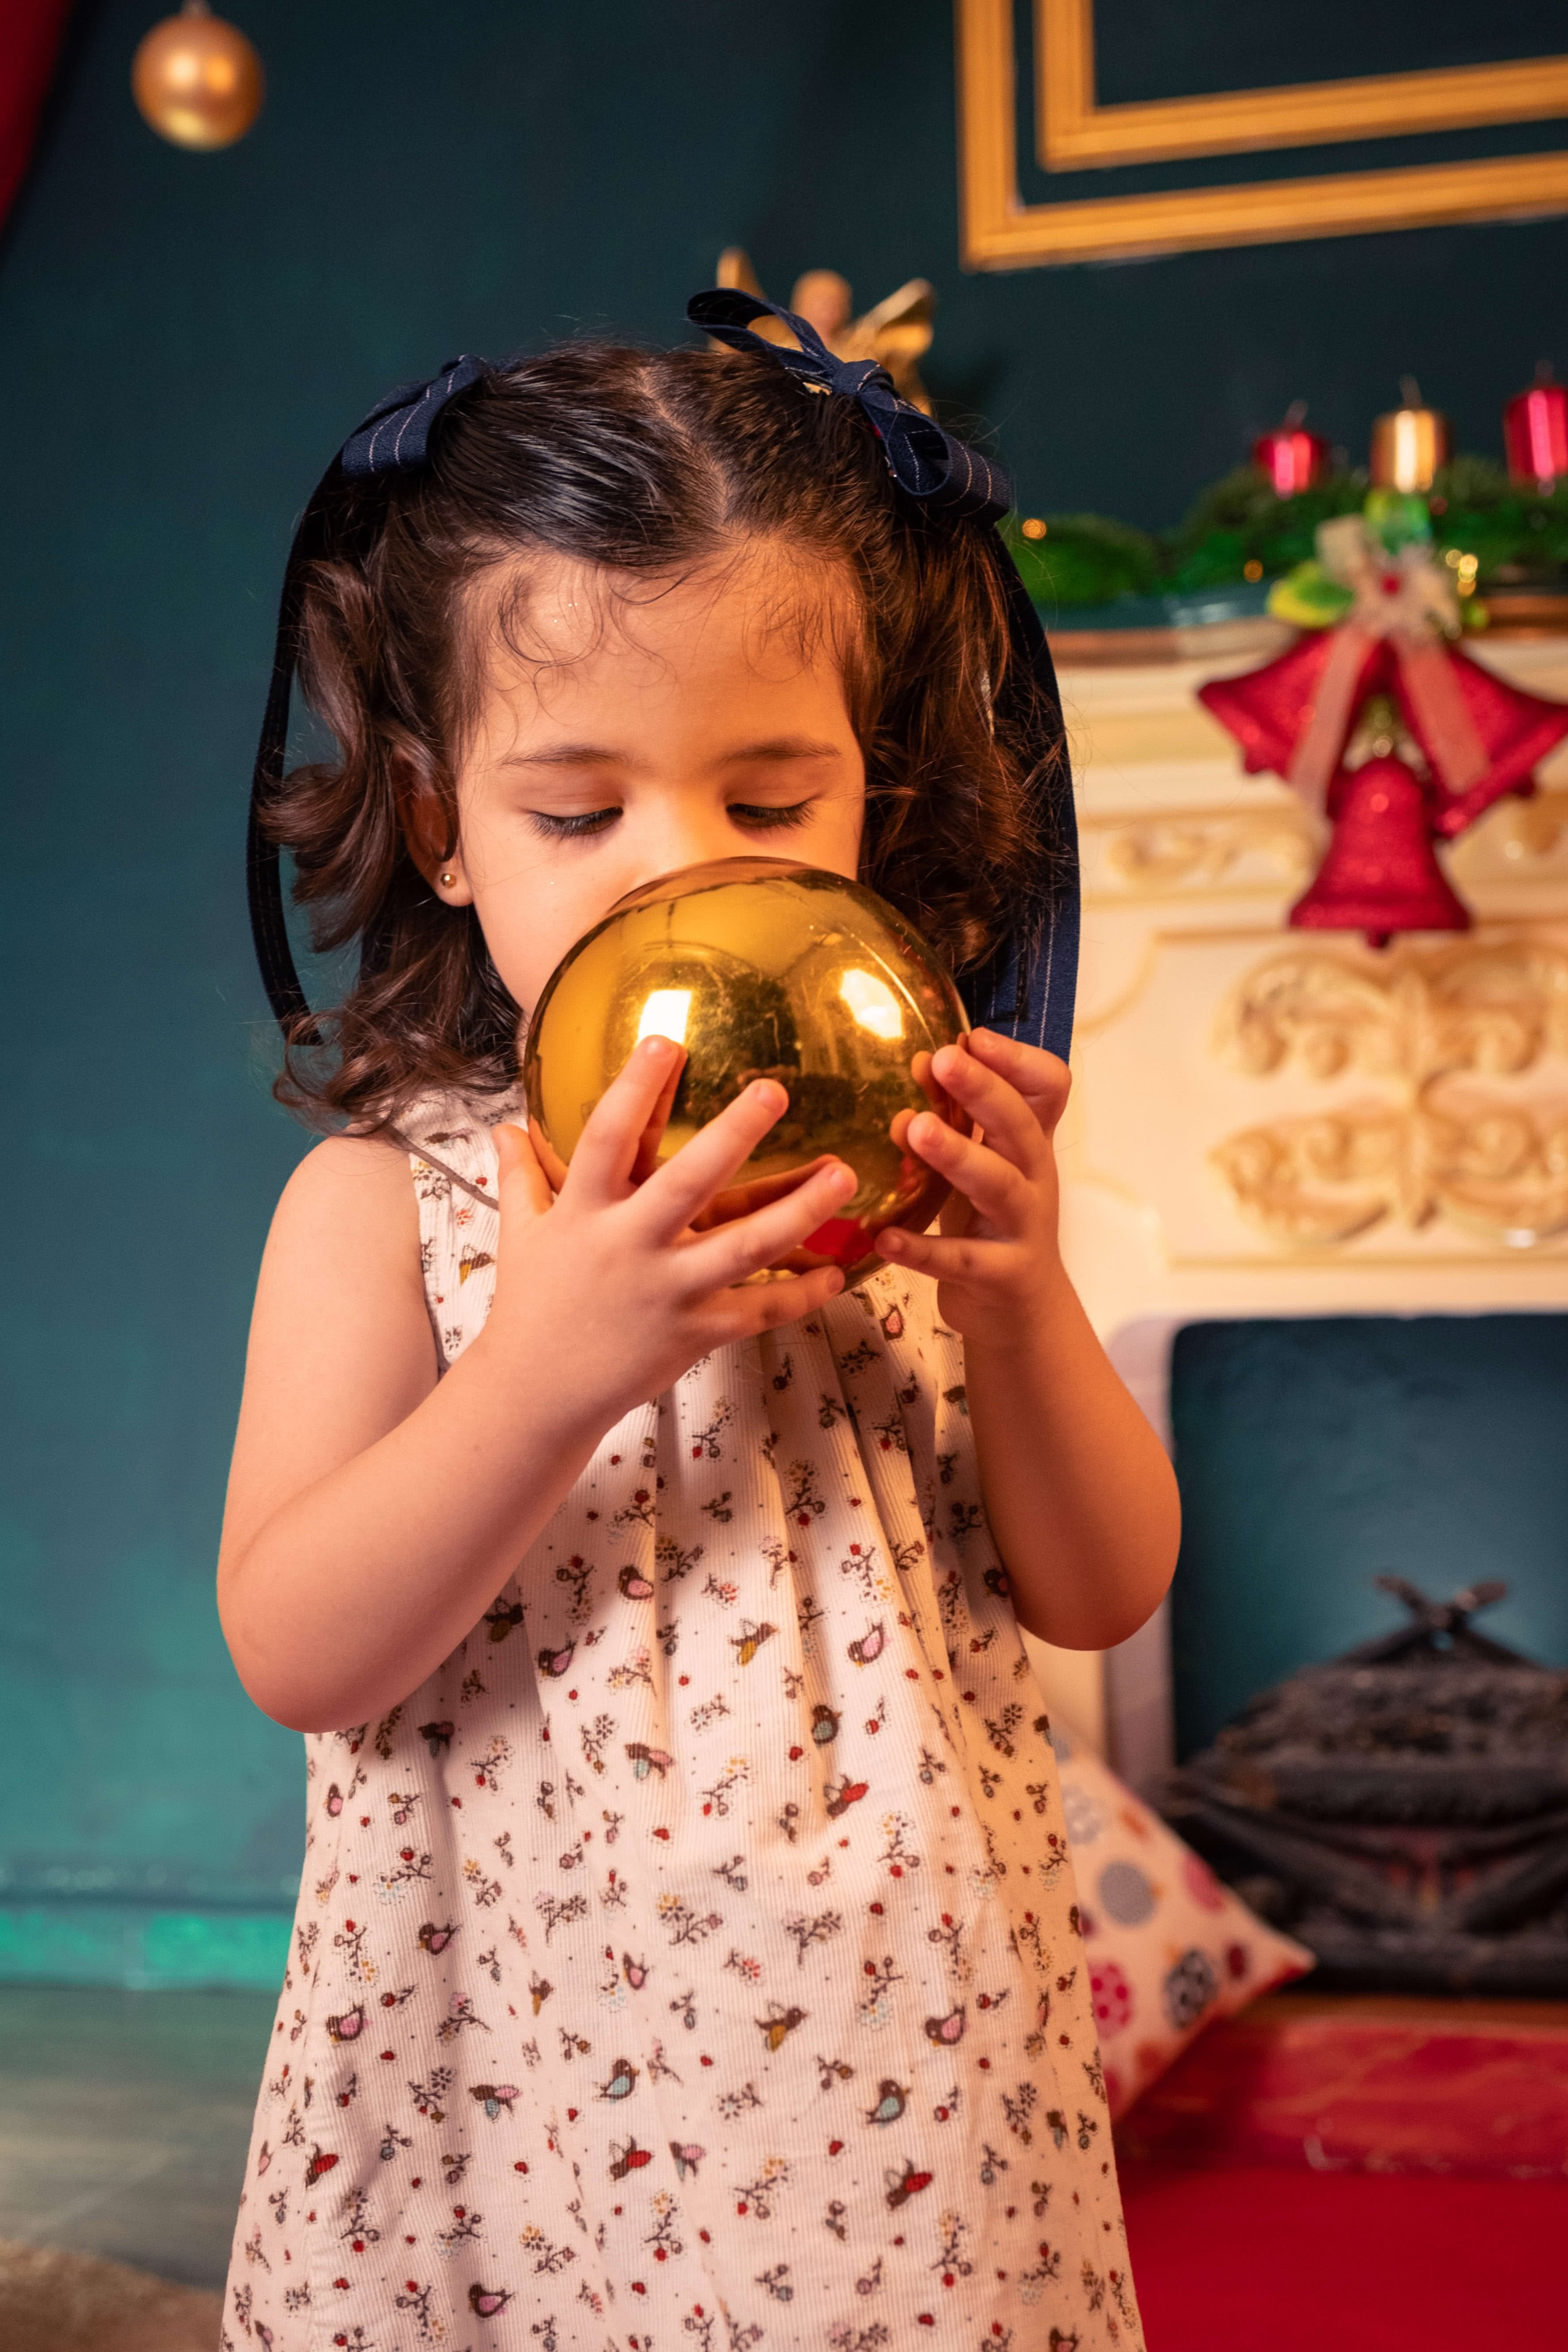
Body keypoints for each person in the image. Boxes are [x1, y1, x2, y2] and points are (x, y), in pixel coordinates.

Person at [218, 292, 1178, 2351]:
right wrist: (545, 1371)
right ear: (441, 828)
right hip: (517, 2097)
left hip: (909, 2085)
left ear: (869, 803)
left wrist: (1023, 1305)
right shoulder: (390, 1208)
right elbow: (300, 1650)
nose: (680, 881)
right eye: (580, 814)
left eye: (767, 802)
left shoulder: (905, 1190)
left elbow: (1102, 1590)